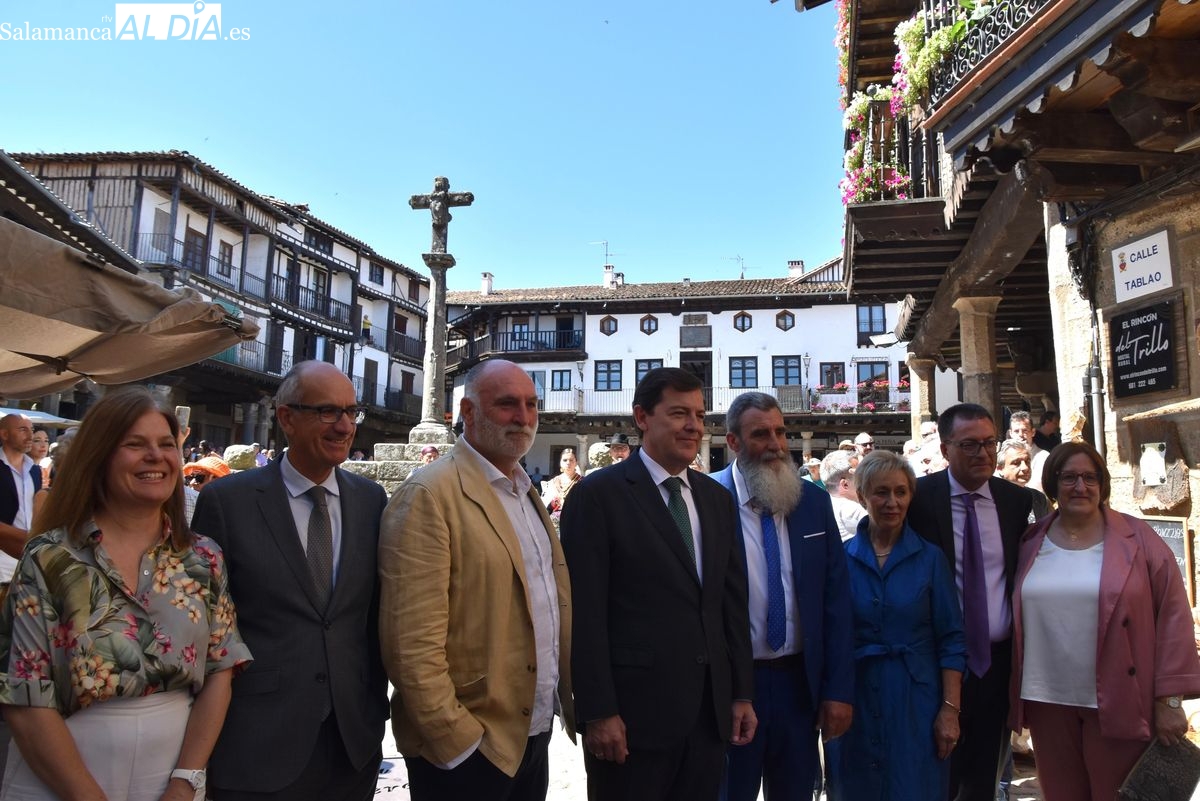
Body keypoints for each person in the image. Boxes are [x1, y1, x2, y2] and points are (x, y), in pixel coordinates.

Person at [0, 386, 251, 801]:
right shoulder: (49, 559)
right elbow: (26, 696)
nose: (156, 456)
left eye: (166, 444)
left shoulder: (204, 558)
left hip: (170, 778)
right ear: (98, 457)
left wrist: (185, 782)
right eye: (135, 444)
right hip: (58, 778)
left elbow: (219, 670)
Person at [191, 361, 389, 801]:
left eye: (351, 412)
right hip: (257, 742)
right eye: (326, 412)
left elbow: (374, 616)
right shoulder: (228, 501)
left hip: (352, 742)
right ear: (286, 418)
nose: (343, 426)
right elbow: (205, 626)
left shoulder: (371, 501)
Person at [379, 359, 574, 801]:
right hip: (469, 751)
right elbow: (409, 644)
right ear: (467, 412)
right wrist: (458, 742)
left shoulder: (527, 492)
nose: (523, 417)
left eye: (530, 404)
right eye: (507, 404)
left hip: (532, 734)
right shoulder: (429, 495)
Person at [560, 367, 755, 801]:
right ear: (642, 417)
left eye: (701, 415)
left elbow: (729, 604)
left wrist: (741, 691)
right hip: (631, 724)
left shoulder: (717, 499)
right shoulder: (598, 497)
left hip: (707, 721)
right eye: (679, 413)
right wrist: (598, 711)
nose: (693, 426)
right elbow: (583, 614)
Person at [1009, 442, 1200, 800]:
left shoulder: (1138, 539)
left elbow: (1173, 617)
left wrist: (1170, 702)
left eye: (1089, 477)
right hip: (1046, 698)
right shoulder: (1031, 541)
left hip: (1118, 697)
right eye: (1069, 478)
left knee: (1118, 794)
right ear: (1052, 484)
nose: (1080, 487)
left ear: (1102, 483)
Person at [711, 392, 854, 801]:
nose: (775, 443)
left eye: (780, 431)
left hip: (799, 685)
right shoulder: (706, 501)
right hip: (734, 687)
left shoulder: (812, 503)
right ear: (734, 442)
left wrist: (838, 690)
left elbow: (836, 602)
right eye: (760, 434)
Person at [906, 404, 1034, 801]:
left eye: (989, 443)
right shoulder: (918, 500)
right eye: (970, 445)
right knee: (937, 770)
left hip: (996, 663)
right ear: (945, 450)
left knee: (983, 777)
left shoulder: (1018, 502)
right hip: (935, 661)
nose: (983, 454)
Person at [827, 451, 966, 800]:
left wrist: (950, 711)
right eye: (881, 492)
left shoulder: (930, 559)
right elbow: (829, 636)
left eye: (901, 492)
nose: (892, 502)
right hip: (854, 700)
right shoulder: (841, 559)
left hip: (917, 700)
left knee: (914, 787)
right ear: (862, 496)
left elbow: (951, 639)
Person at [0, 414, 40, 571]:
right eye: (23, 429)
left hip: (27, 556)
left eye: (31, 429)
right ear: (4, 434)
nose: (30, 436)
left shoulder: (35, 470)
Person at [995, 439, 1052, 523]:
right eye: (1016, 463)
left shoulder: (1039, 498)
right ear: (1000, 469)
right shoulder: (991, 500)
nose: (1025, 468)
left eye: (1027, 461)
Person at [823, 450, 866, 542]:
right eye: (861, 476)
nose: (865, 480)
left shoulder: (824, 504)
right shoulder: (853, 509)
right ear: (845, 484)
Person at [1006, 412, 1046, 493]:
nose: (1021, 435)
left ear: (1033, 432)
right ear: (1011, 433)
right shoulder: (1004, 457)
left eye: (1025, 431)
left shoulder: (1043, 457)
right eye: (1016, 431)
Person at [540, 448, 581, 516]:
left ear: (576, 462)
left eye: (571, 460)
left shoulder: (582, 482)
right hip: (555, 519)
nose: (568, 463)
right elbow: (545, 505)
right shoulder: (553, 482)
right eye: (565, 460)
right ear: (560, 462)